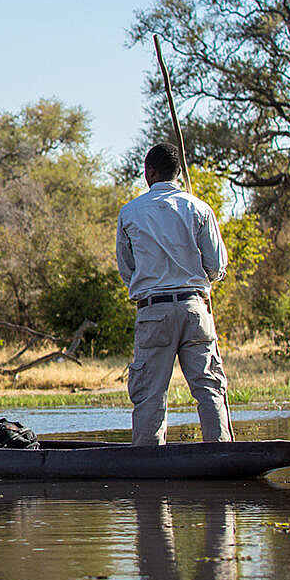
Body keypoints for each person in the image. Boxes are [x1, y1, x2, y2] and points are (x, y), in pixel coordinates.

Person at [116, 142, 231, 446]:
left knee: (150, 393)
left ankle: (148, 460)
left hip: (153, 310)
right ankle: (221, 452)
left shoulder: (129, 213)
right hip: (195, 308)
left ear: (149, 172)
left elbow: (127, 269)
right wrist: (197, 281)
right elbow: (217, 266)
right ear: (178, 172)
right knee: (209, 388)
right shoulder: (199, 208)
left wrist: (149, 284)